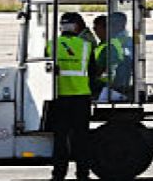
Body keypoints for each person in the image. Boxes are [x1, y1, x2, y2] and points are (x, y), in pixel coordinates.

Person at [49, 10, 95, 181]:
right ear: (76, 27)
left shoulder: (51, 45)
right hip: (81, 98)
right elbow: (93, 72)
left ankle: (58, 174)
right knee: (81, 137)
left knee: (60, 138)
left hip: (60, 98)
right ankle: (83, 174)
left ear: (60, 27)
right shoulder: (85, 46)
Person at [95, 11, 133, 103]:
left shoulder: (115, 43)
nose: (110, 27)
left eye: (112, 24)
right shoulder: (122, 40)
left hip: (109, 86)